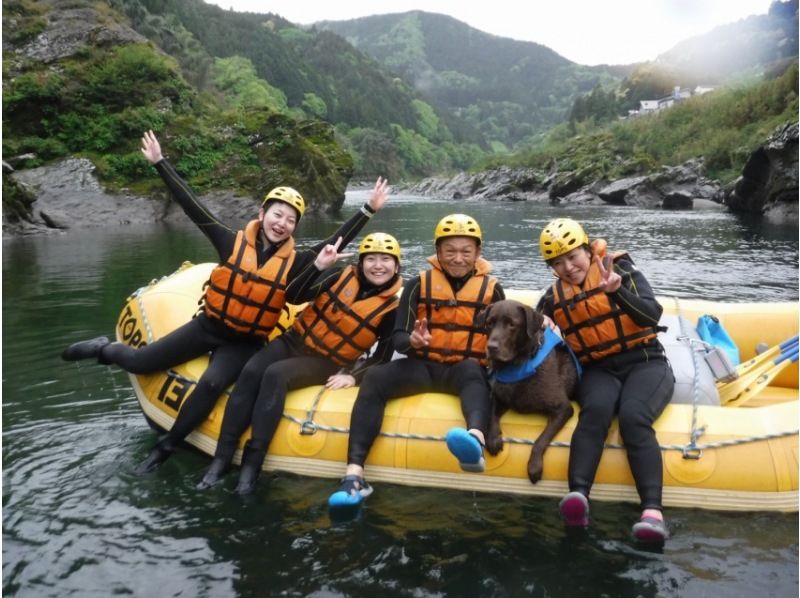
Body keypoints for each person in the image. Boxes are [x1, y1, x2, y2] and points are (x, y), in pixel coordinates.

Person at [61, 130, 390, 473]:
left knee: (213, 383)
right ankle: (102, 349)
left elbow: (333, 243)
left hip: (247, 340)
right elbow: (193, 206)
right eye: (277, 214)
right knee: (142, 362)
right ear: (262, 213)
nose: (282, 223)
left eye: (291, 220)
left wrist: (368, 210)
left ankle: (167, 446)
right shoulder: (230, 241)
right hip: (209, 325)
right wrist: (160, 163)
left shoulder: (299, 260)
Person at [196, 232, 404, 494]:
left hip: (325, 361)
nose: (378, 265)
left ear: (396, 266)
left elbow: (383, 355)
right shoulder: (339, 275)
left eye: (385, 259)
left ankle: (252, 464)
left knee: (275, 375)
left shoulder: (392, 308)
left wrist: (354, 375)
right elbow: (294, 296)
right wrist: (319, 266)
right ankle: (221, 458)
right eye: (371, 258)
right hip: (294, 340)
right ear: (361, 262)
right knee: (251, 370)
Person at [327, 213, 506, 509]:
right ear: (437, 253)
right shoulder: (417, 285)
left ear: (478, 253)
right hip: (423, 367)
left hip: (464, 368)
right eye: (450, 251)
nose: (458, 258)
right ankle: (354, 475)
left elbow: (504, 336)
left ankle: (474, 439)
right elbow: (397, 337)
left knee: (474, 374)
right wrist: (412, 341)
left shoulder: (492, 289)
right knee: (375, 378)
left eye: (466, 251)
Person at [535, 217, 674, 544]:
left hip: (645, 361)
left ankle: (652, 513)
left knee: (633, 416)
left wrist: (617, 292)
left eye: (573, 256)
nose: (568, 267)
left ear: (587, 249)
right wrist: (539, 324)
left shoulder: (621, 269)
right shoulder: (553, 297)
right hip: (598, 370)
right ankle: (578, 499)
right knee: (595, 411)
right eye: (558, 263)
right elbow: (531, 326)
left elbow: (651, 314)